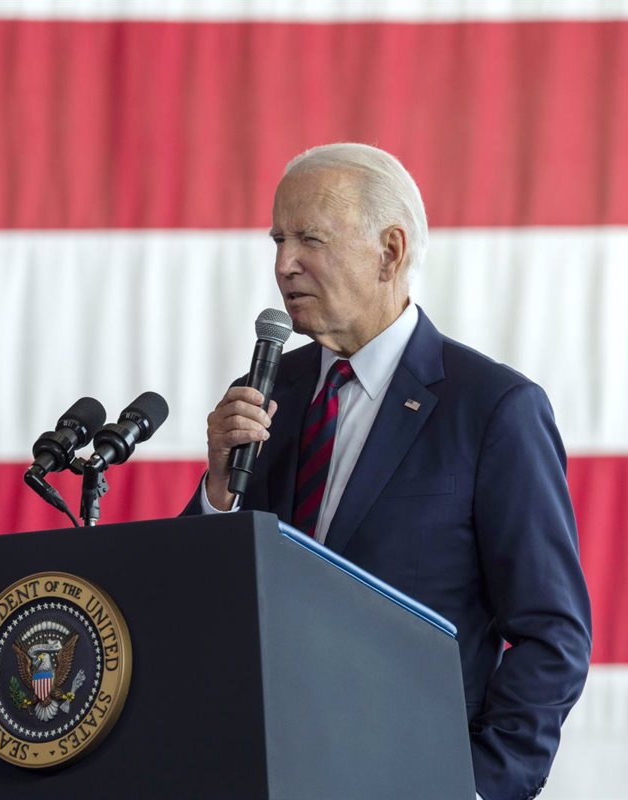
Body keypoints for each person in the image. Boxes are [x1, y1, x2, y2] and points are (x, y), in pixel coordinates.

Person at [182, 143, 592, 800]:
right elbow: (202, 600)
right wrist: (217, 494)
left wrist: (481, 786)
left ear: (391, 252)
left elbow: (554, 634)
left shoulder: (493, 409)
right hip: (264, 772)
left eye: (310, 239)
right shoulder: (265, 396)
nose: (284, 265)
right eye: (278, 239)